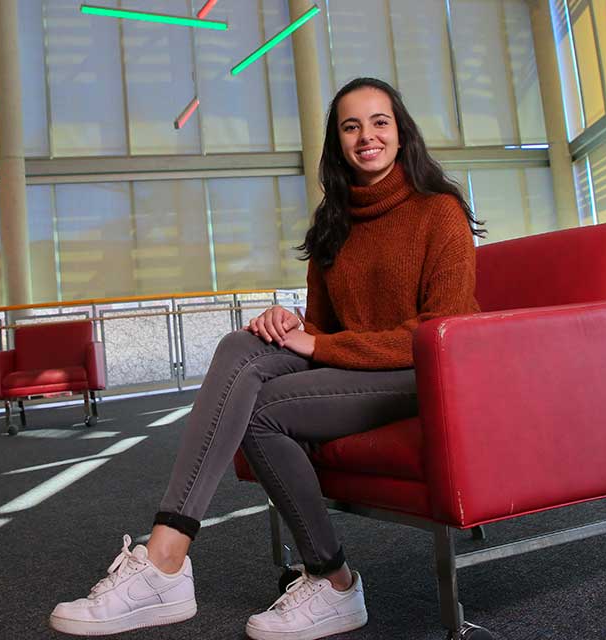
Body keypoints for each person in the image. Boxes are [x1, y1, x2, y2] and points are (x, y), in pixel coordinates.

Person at [48, 77, 484, 640]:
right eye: (351, 126)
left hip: (427, 373)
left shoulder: (438, 211)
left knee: (260, 405)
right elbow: (326, 328)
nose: (367, 136)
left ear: (401, 133)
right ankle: (194, 560)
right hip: (358, 368)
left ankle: (200, 571)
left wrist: (318, 344)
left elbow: (441, 329)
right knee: (241, 350)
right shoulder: (335, 222)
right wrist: (290, 325)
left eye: (380, 122)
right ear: (337, 141)